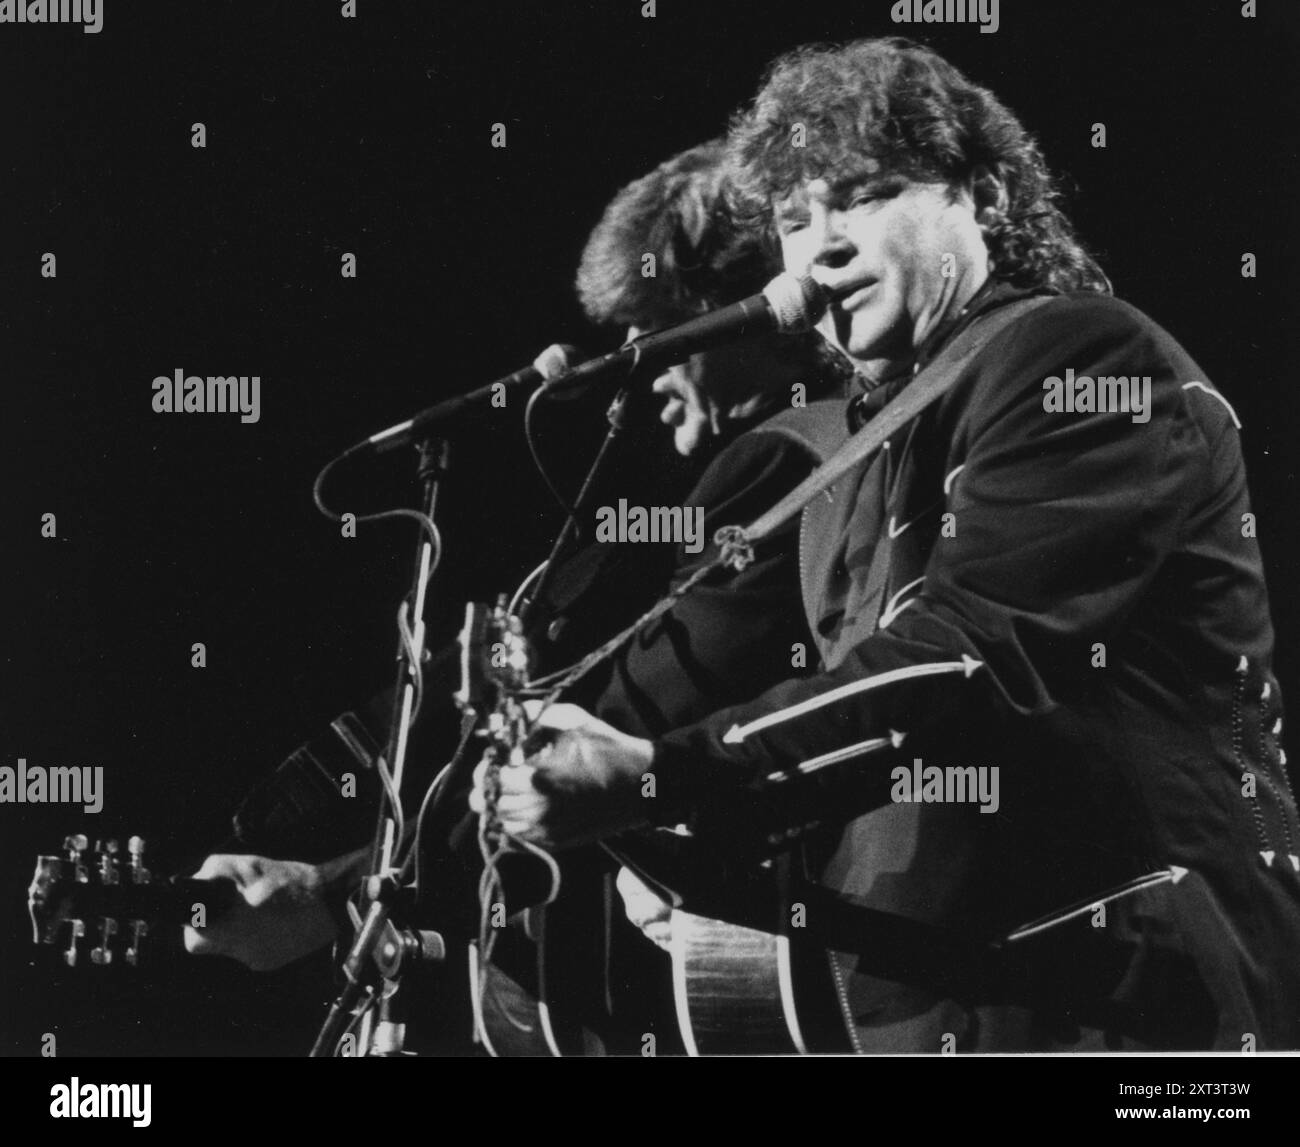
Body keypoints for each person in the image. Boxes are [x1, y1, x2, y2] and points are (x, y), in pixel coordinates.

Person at [476, 37, 1300, 1052]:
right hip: (933, 1005)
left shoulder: (1083, 358)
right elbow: (873, 749)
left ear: (985, 199)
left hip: (1139, 996)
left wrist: (665, 773)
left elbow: (965, 658)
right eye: (790, 219)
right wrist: (686, 845)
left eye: (861, 196)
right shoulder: (856, 453)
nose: (817, 244)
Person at [182, 141, 848, 1023]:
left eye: (650, 328)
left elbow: (623, 723)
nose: (635, 366)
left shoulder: (783, 461)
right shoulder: (726, 480)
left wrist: (346, 890)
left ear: (742, 315)